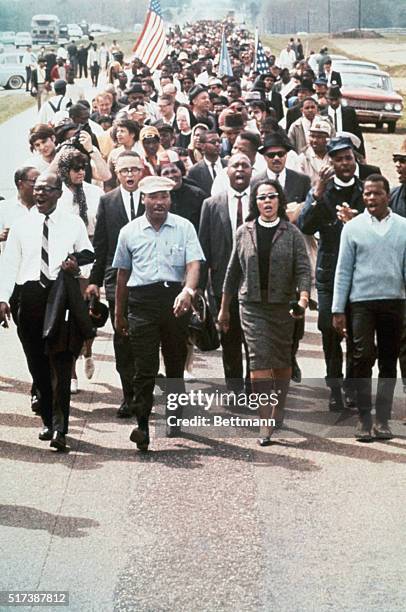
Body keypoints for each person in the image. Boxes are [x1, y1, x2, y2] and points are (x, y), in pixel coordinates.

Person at [0, 172, 94, 451]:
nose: (40, 194)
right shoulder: (21, 226)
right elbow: (9, 266)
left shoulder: (72, 223)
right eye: (37, 189)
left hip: (60, 296)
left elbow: (89, 255)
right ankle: (46, 418)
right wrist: (3, 299)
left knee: (62, 363)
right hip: (28, 298)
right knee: (37, 363)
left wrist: (74, 264)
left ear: (59, 193)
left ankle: (60, 428)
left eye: (47, 190)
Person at [113, 175, 205, 451]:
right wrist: (120, 314)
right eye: (153, 197)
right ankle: (142, 424)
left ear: (170, 199)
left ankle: (175, 414)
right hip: (141, 302)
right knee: (145, 366)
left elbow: (194, 264)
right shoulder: (129, 232)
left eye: (164, 196)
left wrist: (188, 292)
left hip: (174, 300)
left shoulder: (184, 227)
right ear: (143, 199)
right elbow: (122, 274)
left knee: (175, 361)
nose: (159, 202)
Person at [218, 179, 311, 445]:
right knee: (259, 361)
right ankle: (264, 421)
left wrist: (303, 299)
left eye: (271, 196)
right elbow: (232, 274)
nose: (267, 202)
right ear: (255, 203)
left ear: (280, 201)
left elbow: (303, 270)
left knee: (281, 361)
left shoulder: (291, 233)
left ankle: (278, 407)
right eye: (261, 198)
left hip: (284, 307)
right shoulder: (244, 232)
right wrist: (224, 310)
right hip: (251, 306)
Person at [332, 175, 406, 441]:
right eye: (366, 194)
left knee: (388, 360)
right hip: (361, 303)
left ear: (388, 195)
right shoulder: (352, 228)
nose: (371, 198)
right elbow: (343, 271)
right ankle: (364, 420)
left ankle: (382, 420)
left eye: (376, 193)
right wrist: (338, 309)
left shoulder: (403, 227)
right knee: (362, 357)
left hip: (394, 302)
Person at [298, 137, 365, 411]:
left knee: (357, 333)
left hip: (361, 276)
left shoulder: (365, 191)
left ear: (355, 160)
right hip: (329, 274)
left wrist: (356, 219)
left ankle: (351, 386)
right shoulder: (321, 192)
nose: (344, 164)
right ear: (330, 163)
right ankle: (334, 386)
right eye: (338, 159)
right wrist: (316, 192)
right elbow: (304, 224)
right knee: (329, 329)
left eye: (348, 158)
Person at [86, 152, 145, 418]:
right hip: (116, 281)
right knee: (122, 338)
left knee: (145, 339)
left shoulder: (152, 198)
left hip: (148, 281)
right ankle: (128, 395)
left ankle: (144, 394)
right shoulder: (107, 202)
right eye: (124, 171)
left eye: (134, 169)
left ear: (142, 171)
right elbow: (101, 245)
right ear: (116, 173)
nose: (130, 175)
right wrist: (95, 282)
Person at [199, 153, 253, 394]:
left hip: (255, 282)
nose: (240, 170)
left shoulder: (260, 200)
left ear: (252, 171)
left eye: (245, 165)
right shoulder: (212, 204)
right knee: (229, 337)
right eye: (235, 166)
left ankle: (254, 388)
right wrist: (199, 288)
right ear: (226, 171)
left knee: (254, 339)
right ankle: (234, 388)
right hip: (223, 284)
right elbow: (204, 248)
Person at [57, 149, 104, 392]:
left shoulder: (96, 193)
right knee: (69, 317)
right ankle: (71, 371)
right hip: (67, 261)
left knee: (89, 314)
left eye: (83, 167)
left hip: (91, 257)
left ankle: (88, 350)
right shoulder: (58, 195)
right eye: (75, 168)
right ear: (65, 171)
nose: (81, 172)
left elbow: (102, 228)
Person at [325, 87, 365, 157]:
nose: (334, 102)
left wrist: (362, 155)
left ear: (340, 98)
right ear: (327, 99)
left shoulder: (349, 113)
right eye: (331, 100)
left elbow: (357, 134)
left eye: (336, 99)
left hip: (347, 149)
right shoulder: (323, 114)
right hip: (328, 151)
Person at [187, 130, 225, 196]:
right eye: (213, 142)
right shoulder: (194, 171)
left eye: (219, 141)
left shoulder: (229, 165)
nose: (217, 144)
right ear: (202, 146)